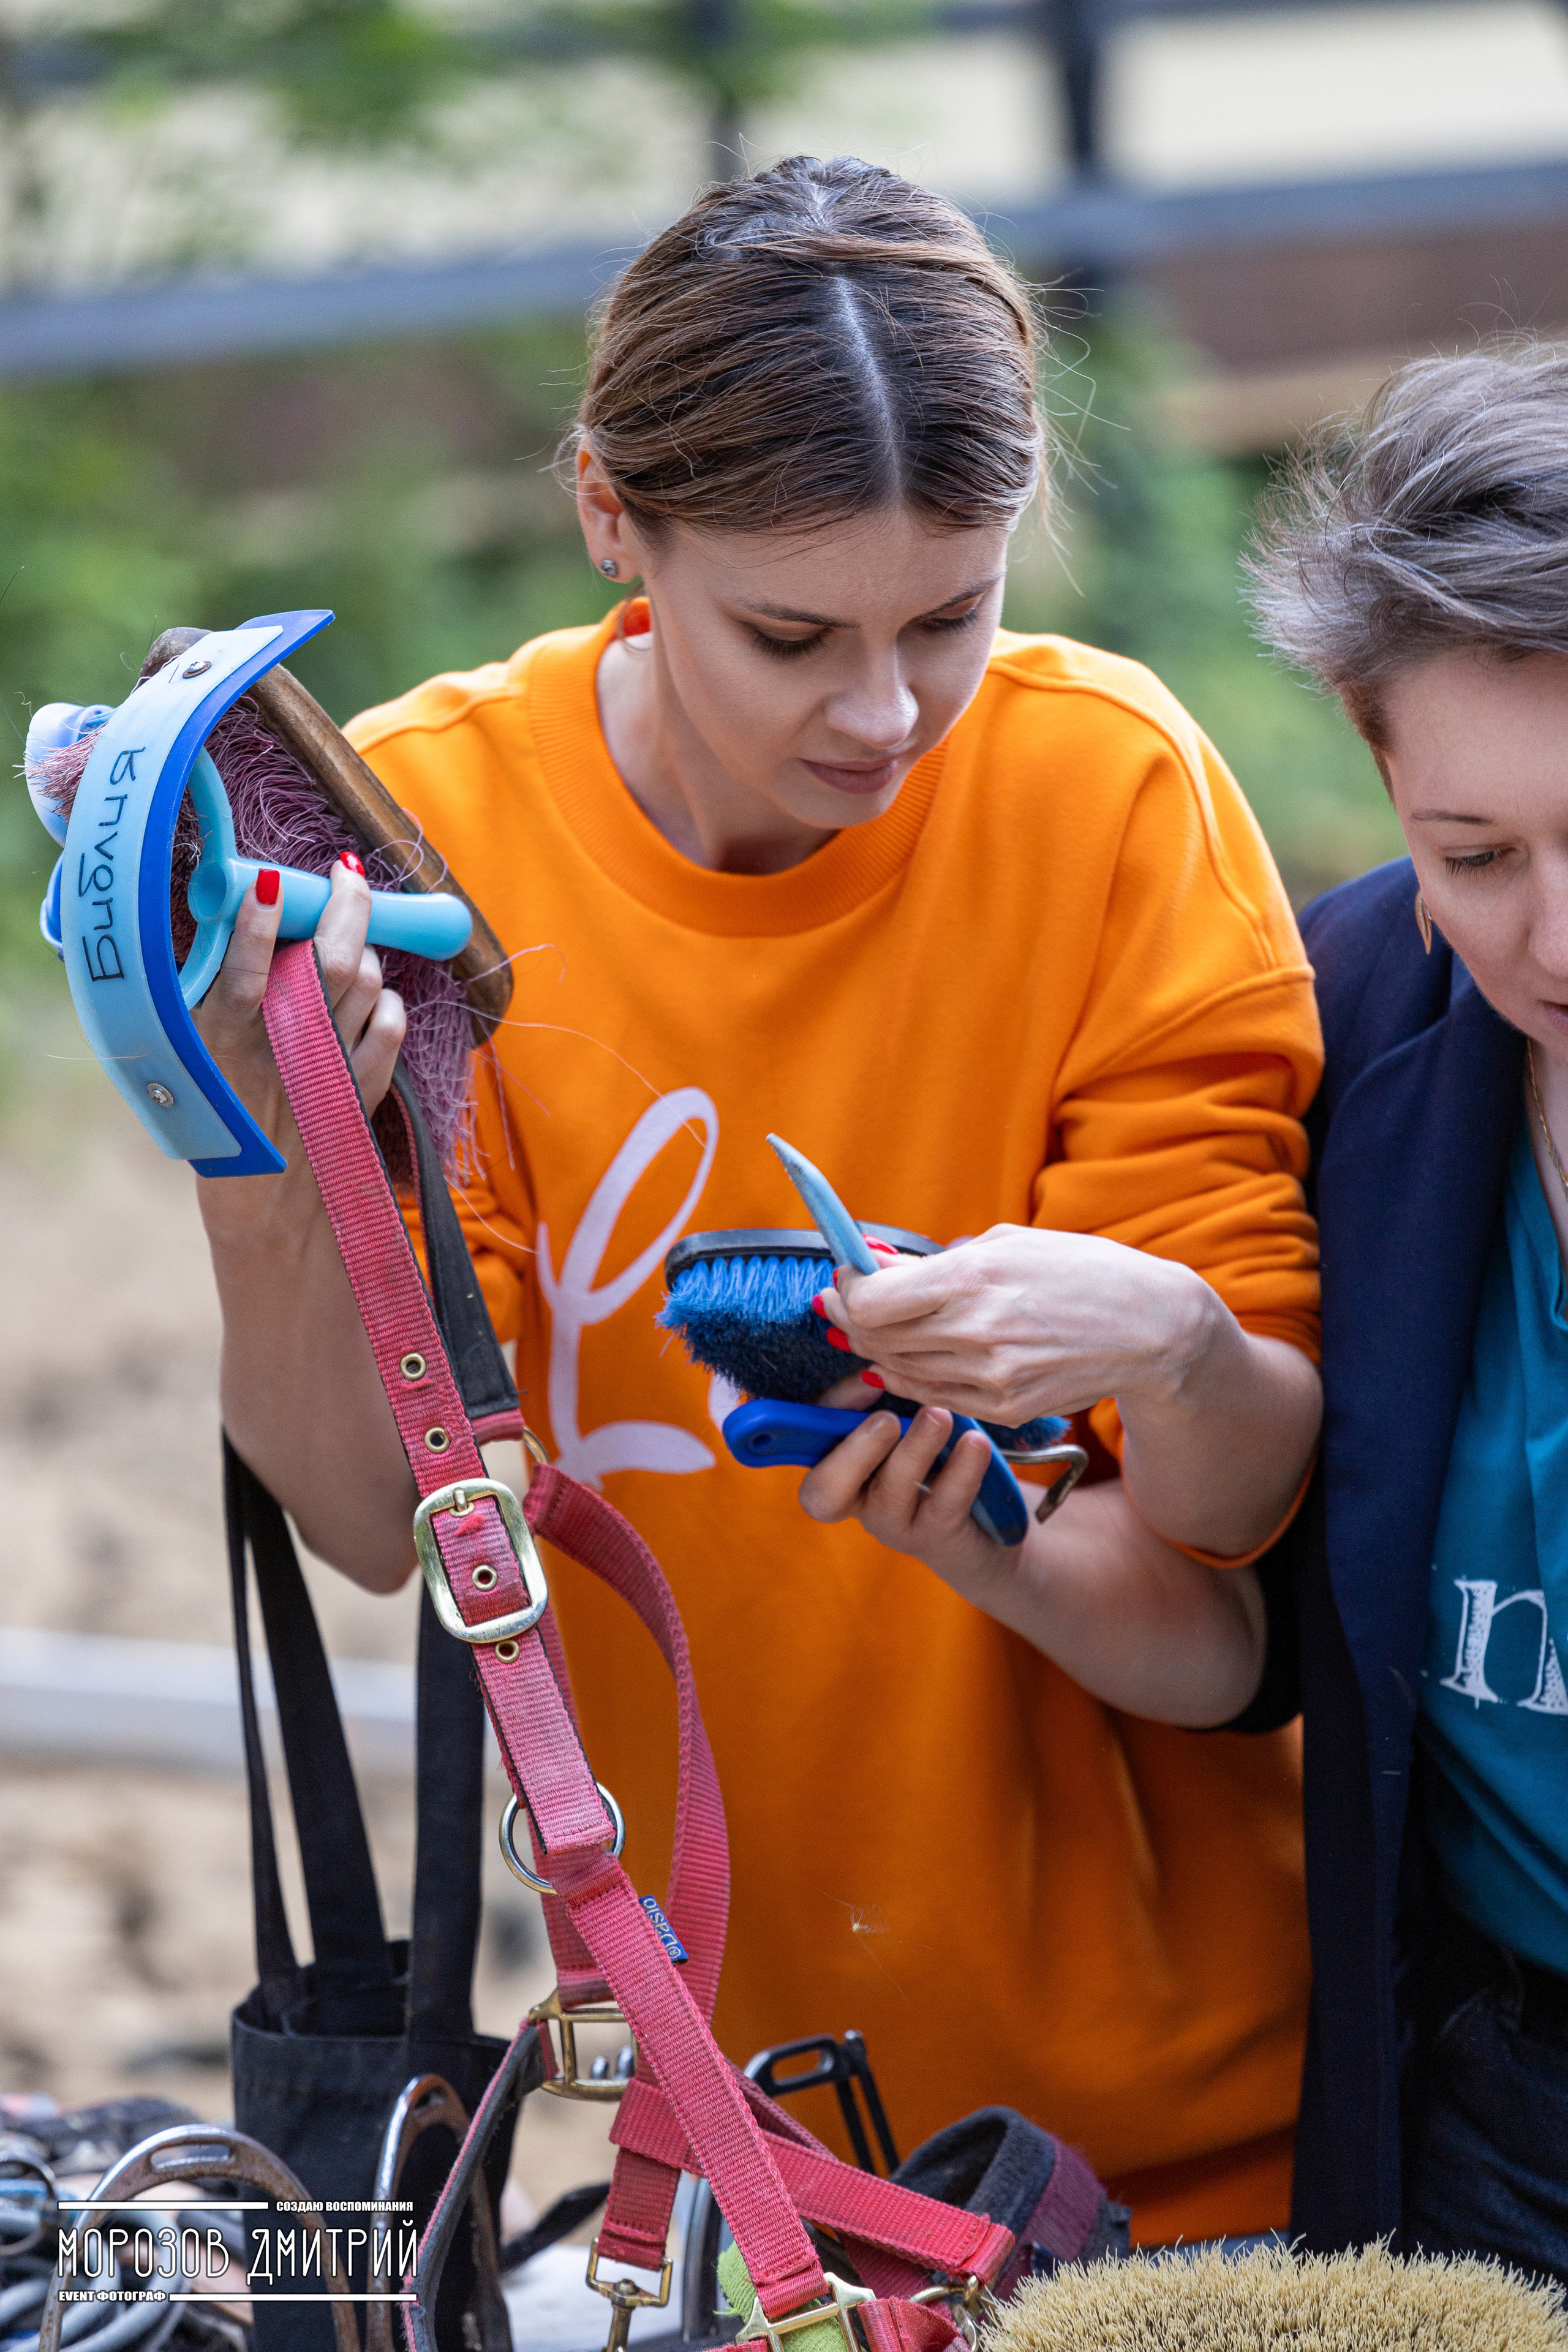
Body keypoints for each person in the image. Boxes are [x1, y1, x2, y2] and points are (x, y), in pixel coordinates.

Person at [195, 156, 1322, 2242]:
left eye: (952, 618)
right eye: (792, 634)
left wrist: (1160, 1343)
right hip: (746, 2134)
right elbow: (376, 1522)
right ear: (613, 518)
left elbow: (1248, 1506)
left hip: (1213, 2124)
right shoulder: (434, 823)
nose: (884, 714)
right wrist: (275, 1152)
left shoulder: (1109, 792)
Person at [1241, 344, 1568, 2278]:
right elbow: (1273, 1638)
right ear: (1378, 774)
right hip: (1495, 2092)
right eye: (1477, 857)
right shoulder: (1340, 1019)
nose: (1557, 936)